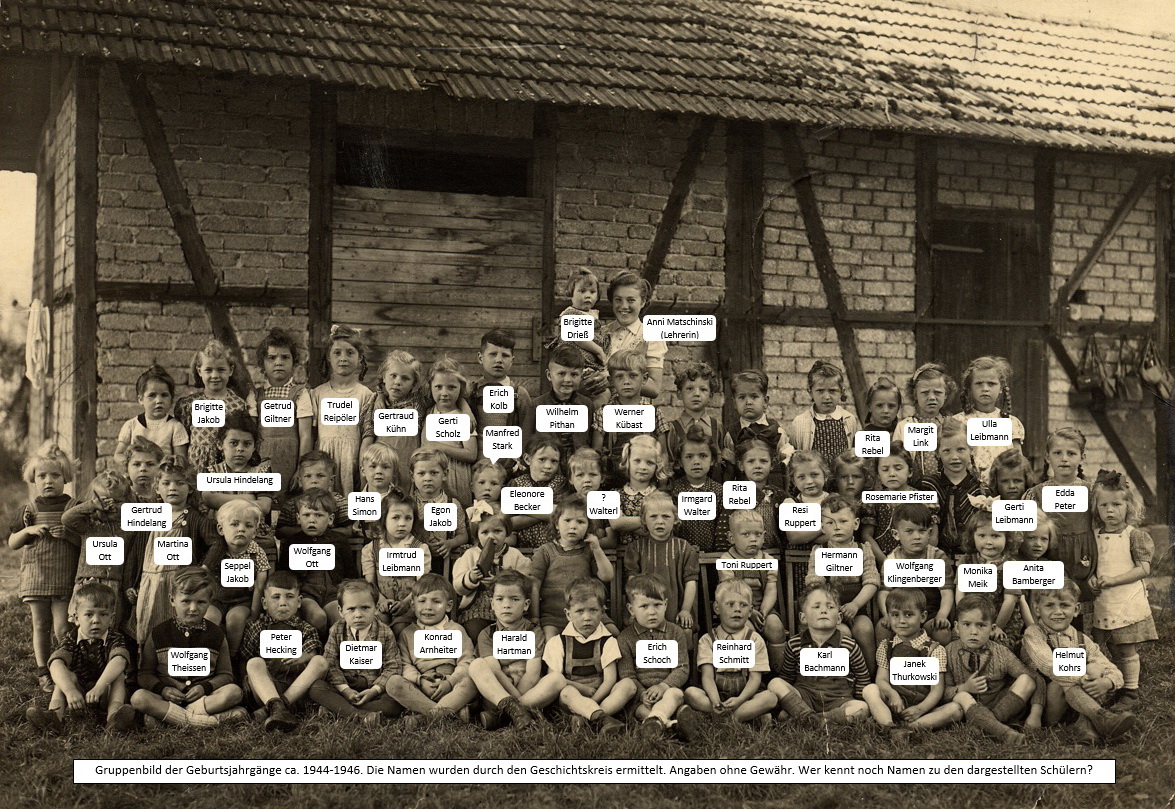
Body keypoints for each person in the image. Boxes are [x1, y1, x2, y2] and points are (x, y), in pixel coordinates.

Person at [1019, 580, 1135, 745]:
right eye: (1050, 605)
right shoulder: (1033, 634)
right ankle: (1101, 717)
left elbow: (1113, 670)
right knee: (1067, 679)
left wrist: (1107, 682)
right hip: (1046, 704)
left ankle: (1086, 731)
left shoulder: (1082, 639)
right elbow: (1049, 665)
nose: (1057, 612)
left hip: (1078, 706)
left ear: (1076, 609)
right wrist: (1086, 672)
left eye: (1064, 605)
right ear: (1037, 610)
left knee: (1099, 672)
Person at [130, 566, 247, 728]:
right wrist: (163, 690)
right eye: (186, 601)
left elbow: (226, 675)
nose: (193, 608)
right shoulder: (159, 633)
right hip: (167, 699)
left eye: (201, 602)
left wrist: (204, 687)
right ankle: (204, 722)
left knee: (234, 692)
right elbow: (145, 674)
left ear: (209, 603)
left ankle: (174, 720)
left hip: (204, 700)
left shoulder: (216, 634)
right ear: (172, 600)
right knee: (138, 697)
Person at [9, 442, 80, 693]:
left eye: (55, 475)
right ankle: (43, 672)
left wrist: (69, 535)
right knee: (40, 624)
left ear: (66, 477)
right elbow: (12, 542)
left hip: (64, 575)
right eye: (42, 476)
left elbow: (85, 541)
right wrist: (27, 531)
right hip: (36, 575)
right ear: (33, 479)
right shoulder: (29, 510)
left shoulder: (74, 507)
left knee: (62, 626)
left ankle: (67, 666)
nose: (48, 481)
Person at [124, 455, 218, 647]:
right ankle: (146, 669)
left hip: (178, 584)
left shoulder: (194, 519)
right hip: (149, 582)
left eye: (180, 483)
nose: (172, 488)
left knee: (177, 627)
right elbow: (135, 553)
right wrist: (129, 583)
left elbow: (216, 543)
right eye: (166, 483)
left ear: (190, 487)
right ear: (157, 488)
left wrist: (204, 569)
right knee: (147, 626)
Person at [25, 583, 136, 733]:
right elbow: (55, 663)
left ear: (111, 618)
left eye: (103, 614)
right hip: (78, 695)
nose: (96, 620)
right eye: (89, 614)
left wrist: (99, 687)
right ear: (76, 618)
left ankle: (114, 719)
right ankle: (54, 718)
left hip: (105, 693)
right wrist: (70, 690)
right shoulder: (71, 638)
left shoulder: (114, 638)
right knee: (64, 676)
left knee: (118, 676)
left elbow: (120, 660)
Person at [1088, 470, 1156, 709]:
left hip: (1126, 598)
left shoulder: (1134, 536)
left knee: (1126, 647)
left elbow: (1143, 569)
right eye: (1104, 505)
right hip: (1103, 601)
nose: (1110, 511)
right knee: (1105, 644)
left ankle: (1131, 691)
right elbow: (1093, 565)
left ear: (1129, 506)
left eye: (1117, 504)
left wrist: (1115, 580)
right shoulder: (1093, 536)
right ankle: (1114, 683)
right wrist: (1092, 579)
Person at [768, 583, 877, 725]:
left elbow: (862, 678)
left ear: (838, 618)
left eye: (830, 607)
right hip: (805, 698)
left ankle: (813, 719)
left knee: (861, 708)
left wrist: (857, 700)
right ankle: (807, 715)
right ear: (803, 618)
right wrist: (789, 701)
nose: (824, 611)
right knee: (775, 683)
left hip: (839, 699)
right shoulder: (794, 644)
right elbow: (787, 677)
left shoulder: (849, 646)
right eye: (816, 606)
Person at [679, 579, 776, 735]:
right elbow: (708, 677)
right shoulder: (708, 639)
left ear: (750, 611)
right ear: (717, 608)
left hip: (745, 696)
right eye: (730, 604)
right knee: (690, 693)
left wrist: (740, 700)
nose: (737, 609)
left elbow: (755, 679)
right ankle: (744, 719)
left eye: (743, 605)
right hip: (717, 695)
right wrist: (716, 701)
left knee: (770, 697)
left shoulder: (754, 639)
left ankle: (719, 721)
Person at [467, 570, 558, 729]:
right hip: (497, 695)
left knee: (557, 679)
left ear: (526, 604)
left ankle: (504, 717)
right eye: (500, 599)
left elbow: (533, 673)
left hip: (529, 692)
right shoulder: (487, 634)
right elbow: (494, 670)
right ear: (492, 604)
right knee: (477, 665)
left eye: (514, 599)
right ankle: (518, 712)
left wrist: (518, 701)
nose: (507, 605)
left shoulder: (533, 632)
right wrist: (513, 702)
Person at [240, 571, 329, 732]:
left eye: (289, 597)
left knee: (320, 661)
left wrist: (304, 656)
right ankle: (275, 704)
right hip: (266, 689)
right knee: (254, 663)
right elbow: (244, 659)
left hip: (296, 688)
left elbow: (315, 649)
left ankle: (280, 707)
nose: (283, 603)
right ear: (264, 602)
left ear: (299, 601)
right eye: (276, 597)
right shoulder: (256, 627)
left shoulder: (304, 628)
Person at [1025, 428, 1097, 625]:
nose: (1064, 459)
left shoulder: (1091, 491)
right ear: (1048, 457)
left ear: (1082, 457)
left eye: (1071, 454)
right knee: (1049, 604)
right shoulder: (1037, 493)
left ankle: (1075, 644)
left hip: (1080, 559)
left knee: (1075, 610)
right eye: (1057, 453)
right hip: (1050, 556)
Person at [943, 594, 1037, 743]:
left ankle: (986, 724)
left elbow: (1032, 677)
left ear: (992, 628)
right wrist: (964, 687)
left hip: (998, 705)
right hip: (967, 707)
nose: (973, 632)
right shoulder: (948, 652)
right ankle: (1004, 733)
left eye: (981, 625)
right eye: (966, 624)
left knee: (1027, 680)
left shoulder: (1000, 652)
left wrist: (1036, 713)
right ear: (956, 627)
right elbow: (944, 692)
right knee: (960, 696)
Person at [389, 574, 479, 724]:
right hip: (422, 686)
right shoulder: (407, 633)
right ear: (412, 604)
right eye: (422, 601)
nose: (428, 607)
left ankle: (426, 718)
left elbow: (467, 662)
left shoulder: (456, 630)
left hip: (452, 685)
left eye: (436, 602)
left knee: (473, 680)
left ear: (448, 606)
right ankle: (450, 715)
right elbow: (404, 664)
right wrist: (420, 681)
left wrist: (450, 682)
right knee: (393, 682)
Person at [866, 588, 955, 740]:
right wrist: (892, 694)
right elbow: (881, 679)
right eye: (895, 615)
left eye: (909, 615)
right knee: (870, 690)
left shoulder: (935, 649)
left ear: (923, 617)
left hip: (922, 706)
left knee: (955, 710)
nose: (901, 621)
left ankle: (911, 728)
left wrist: (920, 709)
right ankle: (889, 726)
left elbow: (937, 689)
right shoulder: (886, 646)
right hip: (894, 704)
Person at [311, 579, 403, 724]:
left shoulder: (385, 632)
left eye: (365, 608)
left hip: (372, 688)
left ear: (376, 608)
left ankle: (339, 710)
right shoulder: (337, 630)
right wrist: (345, 690)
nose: (358, 614)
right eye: (351, 609)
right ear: (341, 611)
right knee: (316, 688)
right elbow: (331, 663)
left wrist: (375, 690)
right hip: (345, 686)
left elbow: (393, 666)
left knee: (394, 703)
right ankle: (361, 715)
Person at [805, 495, 879, 673]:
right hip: (829, 608)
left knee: (865, 629)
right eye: (830, 523)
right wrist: (833, 609)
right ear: (822, 527)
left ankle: (869, 675)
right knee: (841, 633)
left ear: (856, 524)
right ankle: (843, 677)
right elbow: (815, 585)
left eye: (843, 521)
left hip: (857, 607)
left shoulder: (863, 550)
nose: (837, 527)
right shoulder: (819, 551)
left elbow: (871, 582)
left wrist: (855, 604)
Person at [543, 577, 626, 734]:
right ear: (568, 614)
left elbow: (609, 680)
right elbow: (555, 680)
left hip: (600, 695)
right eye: (580, 611)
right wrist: (582, 689)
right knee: (568, 692)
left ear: (602, 612)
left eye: (593, 610)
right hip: (570, 697)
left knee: (627, 685)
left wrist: (591, 704)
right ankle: (601, 719)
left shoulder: (607, 641)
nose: (587, 617)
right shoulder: (558, 642)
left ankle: (589, 718)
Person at [614, 575, 692, 740]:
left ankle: (656, 723)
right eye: (643, 606)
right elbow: (627, 674)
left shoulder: (675, 632)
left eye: (657, 605)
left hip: (668, 690)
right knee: (640, 710)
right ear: (631, 609)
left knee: (675, 695)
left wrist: (664, 686)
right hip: (641, 699)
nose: (652, 612)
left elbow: (682, 668)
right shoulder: (625, 638)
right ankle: (670, 724)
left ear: (665, 604)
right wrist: (643, 694)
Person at [530, 495, 614, 638]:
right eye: (567, 520)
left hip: (587, 612)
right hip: (553, 615)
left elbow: (607, 576)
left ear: (588, 527)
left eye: (581, 522)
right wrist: (535, 617)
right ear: (557, 524)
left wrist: (597, 549)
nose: (573, 526)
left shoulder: (589, 550)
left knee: (613, 634)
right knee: (551, 641)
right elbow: (534, 585)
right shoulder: (545, 551)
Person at [277, 488, 357, 634]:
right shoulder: (293, 542)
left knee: (340, 619)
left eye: (319, 515)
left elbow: (351, 573)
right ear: (298, 518)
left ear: (330, 519)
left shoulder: (339, 540)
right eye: (306, 515)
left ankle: (333, 652)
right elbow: (283, 574)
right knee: (318, 617)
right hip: (306, 593)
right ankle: (317, 649)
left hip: (334, 592)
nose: (312, 520)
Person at [201, 412, 277, 565]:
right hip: (221, 535)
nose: (240, 449)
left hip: (254, 534)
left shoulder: (261, 471)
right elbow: (209, 498)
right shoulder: (211, 471)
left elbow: (265, 505)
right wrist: (248, 499)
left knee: (266, 548)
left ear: (255, 446)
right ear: (220, 444)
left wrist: (226, 500)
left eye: (247, 444)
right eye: (233, 443)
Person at [62, 470, 133, 632]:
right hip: (88, 583)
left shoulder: (126, 527)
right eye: (104, 501)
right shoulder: (89, 525)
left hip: (114, 585)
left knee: (112, 627)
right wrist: (92, 506)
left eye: (116, 501)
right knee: (84, 627)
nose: (109, 506)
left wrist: (123, 509)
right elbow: (66, 519)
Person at [307, 325, 374, 495]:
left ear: (360, 358)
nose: (343, 358)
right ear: (329, 357)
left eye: (350, 353)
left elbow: (367, 435)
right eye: (337, 353)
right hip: (323, 460)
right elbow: (311, 434)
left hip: (351, 460)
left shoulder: (365, 395)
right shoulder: (317, 394)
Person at [719, 510, 787, 671]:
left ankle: (778, 672)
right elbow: (730, 592)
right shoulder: (727, 560)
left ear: (764, 535)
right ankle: (748, 674)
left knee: (775, 626)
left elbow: (771, 589)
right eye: (746, 534)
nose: (753, 539)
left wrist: (763, 611)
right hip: (736, 608)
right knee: (744, 629)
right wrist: (749, 610)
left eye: (758, 534)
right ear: (731, 537)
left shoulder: (767, 560)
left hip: (763, 608)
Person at [877, 504, 954, 646]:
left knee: (941, 631)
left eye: (922, 531)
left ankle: (939, 665)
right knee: (882, 628)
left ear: (929, 533)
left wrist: (942, 614)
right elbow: (884, 592)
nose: (917, 537)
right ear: (896, 534)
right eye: (909, 531)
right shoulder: (893, 560)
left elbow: (946, 592)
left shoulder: (937, 557)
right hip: (901, 614)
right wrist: (886, 614)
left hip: (929, 613)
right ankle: (884, 664)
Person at [202, 499, 271, 658]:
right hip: (217, 598)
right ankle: (210, 656)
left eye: (248, 526)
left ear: (254, 532)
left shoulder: (257, 553)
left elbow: (260, 586)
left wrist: (254, 614)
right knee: (209, 618)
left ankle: (231, 656)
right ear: (221, 529)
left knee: (235, 619)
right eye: (234, 524)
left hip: (241, 600)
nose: (241, 529)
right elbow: (204, 576)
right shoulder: (217, 551)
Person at [173, 338, 254, 473]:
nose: (215, 375)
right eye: (208, 370)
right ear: (199, 371)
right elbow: (181, 440)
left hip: (227, 467)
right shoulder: (189, 404)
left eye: (221, 369)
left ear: (231, 370)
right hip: (196, 468)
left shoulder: (238, 405)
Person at [623, 492, 699, 630]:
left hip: (675, 611)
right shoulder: (636, 548)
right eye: (653, 516)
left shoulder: (684, 548)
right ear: (644, 519)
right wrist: (635, 608)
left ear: (675, 519)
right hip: (645, 611)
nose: (660, 521)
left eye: (666, 516)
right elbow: (632, 582)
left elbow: (690, 582)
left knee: (682, 634)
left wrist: (686, 610)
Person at [452, 512, 532, 640]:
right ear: (477, 534)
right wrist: (471, 578)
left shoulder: (515, 555)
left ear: (507, 532)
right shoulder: (470, 555)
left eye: (497, 531)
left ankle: (505, 658)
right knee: (475, 632)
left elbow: (526, 583)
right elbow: (458, 587)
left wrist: (502, 580)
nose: (491, 537)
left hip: (508, 607)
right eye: (485, 532)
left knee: (512, 632)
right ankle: (483, 656)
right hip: (477, 610)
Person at [592, 349, 669, 483]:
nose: (626, 382)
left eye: (632, 376)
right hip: (613, 480)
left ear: (644, 378)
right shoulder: (604, 413)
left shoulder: (653, 413)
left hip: (646, 480)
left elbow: (662, 454)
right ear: (611, 380)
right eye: (619, 377)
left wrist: (662, 482)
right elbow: (596, 453)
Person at [362, 492, 430, 636]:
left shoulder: (419, 549)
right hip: (381, 604)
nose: (402, 524)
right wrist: (381, 600)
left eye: (408, 518)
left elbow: (421, 584)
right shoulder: (371, 549)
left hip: (410, 605)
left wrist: (406, 603)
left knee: (401, 629)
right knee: (374, 628)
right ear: (383, 519)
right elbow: (370, 583)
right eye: (395, 518)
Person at [251, 328, 311, 488]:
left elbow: (305, 435)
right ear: (263, 363)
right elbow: (250, 433)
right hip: (261, 461)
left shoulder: (300, 394)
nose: (278, 362)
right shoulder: (256, 396)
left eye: (285, 357)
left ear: (294, 362)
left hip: (290, 460)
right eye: (271, 358)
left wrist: (301, 469)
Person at [359, 349, 427, 491]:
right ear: (384, 377)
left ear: (414, 383)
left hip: (407, 463)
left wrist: (466, 409)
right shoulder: (374, 404)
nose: (397, 382)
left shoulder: (418, 402)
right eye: (393, 376)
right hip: (380, 466)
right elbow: (367, 438)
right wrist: (363, 475)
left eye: (405, 378)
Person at [469, 329, 533, 476]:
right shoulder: (471, 392)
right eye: (492, 354)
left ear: (512, 361)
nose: (499, 360)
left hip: (509, 469)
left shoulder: (519, 394)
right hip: (477, 468)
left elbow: (527, 432)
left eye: (505, 355)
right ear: (480, 357)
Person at [952, 356, 1024, 483]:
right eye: (979, 383)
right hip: (968, 486)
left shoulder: (1011, 423)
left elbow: (1018, 461)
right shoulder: (959, 421)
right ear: (970, 388)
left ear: (1001, 388)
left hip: (1003, 486)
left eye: (991, 384)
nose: (985, 388)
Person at [419, 356, 479, 509]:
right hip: (430, 473)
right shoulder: (428, 412)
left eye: (451, 387)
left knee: (456, 512)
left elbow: (471, 454)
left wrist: (440, 447)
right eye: (438, 387)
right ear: (430, 387)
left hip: (455, 473)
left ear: (461, 388)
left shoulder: (463, 418)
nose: (444, 393)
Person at [720, 369, 793, 489]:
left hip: (772, 490)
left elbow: (787, 459)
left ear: (765, 401)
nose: (748, 402)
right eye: (742, 397)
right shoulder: (732, 433)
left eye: (754, 397)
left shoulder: (776, 431)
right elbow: (729, 468)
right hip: (743, 492)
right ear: (734, 403)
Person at [521, 344, 595, 461]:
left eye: (574, 374)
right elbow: (526, 441)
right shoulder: (537, 405)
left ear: (581, 376)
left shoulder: (587, 405)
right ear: (549, 375)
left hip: (578, 466)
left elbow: (591, 440)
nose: (567, 380)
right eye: (561, 374)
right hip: (548, 465)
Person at [599, 271, 666, 399]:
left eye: (631, 300)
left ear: (642, 302)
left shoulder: (651, 336)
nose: (624, 306)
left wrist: (609, 380)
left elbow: (654, 388)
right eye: (618, 300)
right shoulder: (600, 333)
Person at [923, 418, 983, 557]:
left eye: (961, 449)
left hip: (973, 559)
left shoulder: (980, 489)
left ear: (971, 450)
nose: (954, 457)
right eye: (947, 451)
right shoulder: (928, 486)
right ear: (937, 453)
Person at [547, 269, 610, 398]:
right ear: (571, 293)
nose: (588, 296)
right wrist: (599, 351)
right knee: (601, 393)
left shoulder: (592, 315)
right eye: (582, 291)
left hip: (590, 366)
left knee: (604, 390)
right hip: (573, 365)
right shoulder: (570, 313)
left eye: (592, 292)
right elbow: (578, 337)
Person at [788, 360, 860, 471]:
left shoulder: (849, 420)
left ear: (841, 392)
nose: (827, 397)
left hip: (841, 477)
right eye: (820, 391)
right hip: (814, 479)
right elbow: (795, 459)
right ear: (810, 392)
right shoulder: (800, 423)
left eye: (832, 391)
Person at [892, 363, 957, 483]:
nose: (931, 397)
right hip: (914, 486)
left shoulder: (952, 424)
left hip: (946, 487)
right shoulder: (905, 426)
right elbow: (896, 458)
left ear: (946, 394)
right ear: (915, 395)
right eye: (925, 392)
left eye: (937, 392)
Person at [666, 423, 726, 553]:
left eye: (703, 456)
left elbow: (722, 528)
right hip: (681, 555)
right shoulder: (675, 491)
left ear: (712, 460)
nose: (696, 462)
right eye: (689, 457)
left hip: (712, 556)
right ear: (680, 461)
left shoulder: (719, 491)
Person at [409, 448, 470, 573]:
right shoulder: (408, 504)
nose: (427, 478)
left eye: (434, 473)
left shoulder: (452, 504)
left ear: (445, 474)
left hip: (444, 563)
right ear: (412, 476)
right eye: (421, 473)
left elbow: (463, 535)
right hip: (415, 562)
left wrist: (450, 543)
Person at [115, 365, 189, 466]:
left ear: (171, 398)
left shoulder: (175, 427)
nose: (159, 401)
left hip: (163, 478)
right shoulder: (131, 425)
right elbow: (118, 454)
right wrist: (132, 462)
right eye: (152, 395)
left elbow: (181, 460)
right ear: (140, 399)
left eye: (164, 395)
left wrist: (167, 462)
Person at [609, 434, 671, 547]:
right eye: (637, 461)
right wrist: (649, 521)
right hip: (623, 557)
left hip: (652, 554)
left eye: (649, 462)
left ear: (657, 466)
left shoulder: (660, 497)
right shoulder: (614, 494)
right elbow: (616, 523)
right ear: (628, 462)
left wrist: (626, 524)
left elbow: (659, 530)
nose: (643, 467)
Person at [508, 435, 568, 549]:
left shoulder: (560, 484)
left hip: (554, 550)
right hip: (522, 550)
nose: (548, 466)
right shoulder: (516, 484)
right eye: (542, 459)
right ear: (527, 459)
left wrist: (521, 506)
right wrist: (545, 512)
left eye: (554, 461)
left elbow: (560, 514)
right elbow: (509, 522)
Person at [664, 362, 722, 479]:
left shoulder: (718, 427)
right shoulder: (672, 429)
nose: (696, 394)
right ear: (679, 394)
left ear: (711, 395)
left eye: (703, 389)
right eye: (690, 389)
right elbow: (668, 465)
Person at [782, 451, 830, 547]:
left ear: (825, 476)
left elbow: (838, 535)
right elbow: (794, 537)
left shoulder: (834, 501)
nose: (809, 481)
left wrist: (806, 534)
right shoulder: (790, 504)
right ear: (794, 481)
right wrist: (825, 527)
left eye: (814, 475)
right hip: (799, 560)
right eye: (801, 477)